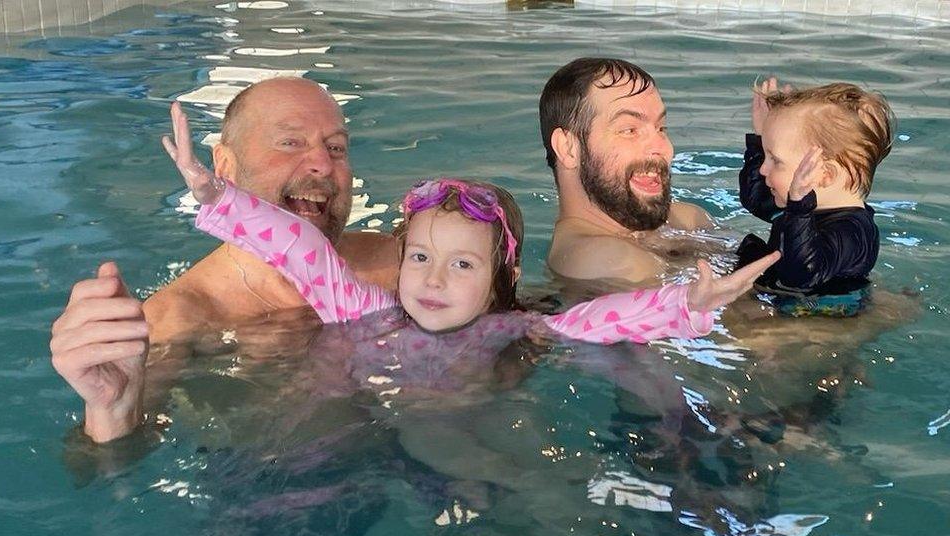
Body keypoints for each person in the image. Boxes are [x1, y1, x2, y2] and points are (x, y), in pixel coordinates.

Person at [169, 101, 780, 346]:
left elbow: (592, 321)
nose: (432, 281)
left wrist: (684, 305)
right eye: (420, 258)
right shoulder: (361, 307)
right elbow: (302, 250)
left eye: (463, 264)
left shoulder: (504, 329)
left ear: (498, 278)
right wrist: (219, 196)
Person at [49, 77, 399, 442]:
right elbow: (109, 476)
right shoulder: (179, 319)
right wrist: (112, 414)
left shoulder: (405, 264)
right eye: (290, 142)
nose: (323, 165)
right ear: (225, 166)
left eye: (337, 148)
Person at [540, 57, 716, 286]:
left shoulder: (688, 219)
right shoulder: (611, 262)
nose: (665, 150)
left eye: (661, 128)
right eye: (629, 130)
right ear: (568, 149)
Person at [736, 77, 894, 316]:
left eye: (775, 160)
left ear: (825, 176)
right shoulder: (806, 206)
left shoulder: (854, 232)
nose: (763, 170)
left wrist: (800, 207)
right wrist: (759, 142)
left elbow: (802, 273)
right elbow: (756, 200)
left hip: (818, 320)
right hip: (782, 301)